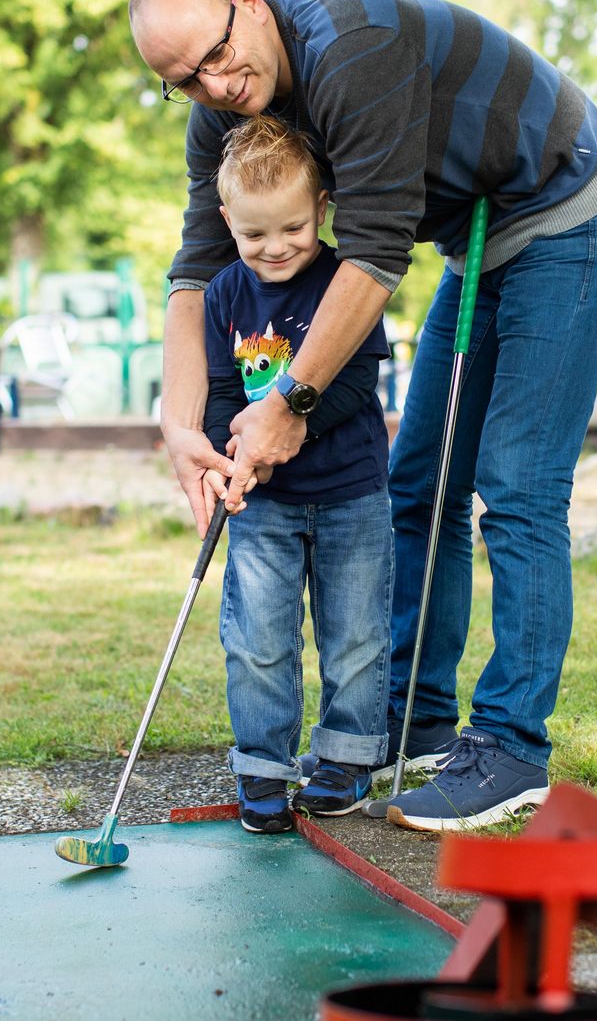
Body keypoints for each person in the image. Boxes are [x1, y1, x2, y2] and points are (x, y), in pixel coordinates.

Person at [129, 0, 597, 831]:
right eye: (183, 83)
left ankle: (512, 749)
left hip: (569, 214)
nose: (214, 86)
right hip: (481, 240)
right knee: (423, 485)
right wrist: (179, 424)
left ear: (247, 3)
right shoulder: (224, 114)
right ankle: (420, 721)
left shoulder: (354, 53)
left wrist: (289, 402)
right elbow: (197, 267)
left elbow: (371, 255)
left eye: (216, 56)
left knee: (516, 485)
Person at [200, 115, 392, 834]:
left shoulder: (348, 281)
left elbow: (355, 382)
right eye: (254, 236)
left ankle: (343, 763)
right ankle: (262, 770)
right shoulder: (224, 294)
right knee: (257, 639)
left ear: (322, 210)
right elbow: (223, 391)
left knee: (357, 637)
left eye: (292, 229)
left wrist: (290, 424)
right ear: (229, 222)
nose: (274, 249)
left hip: (351, 495)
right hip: (267, 508)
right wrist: (232, 454)